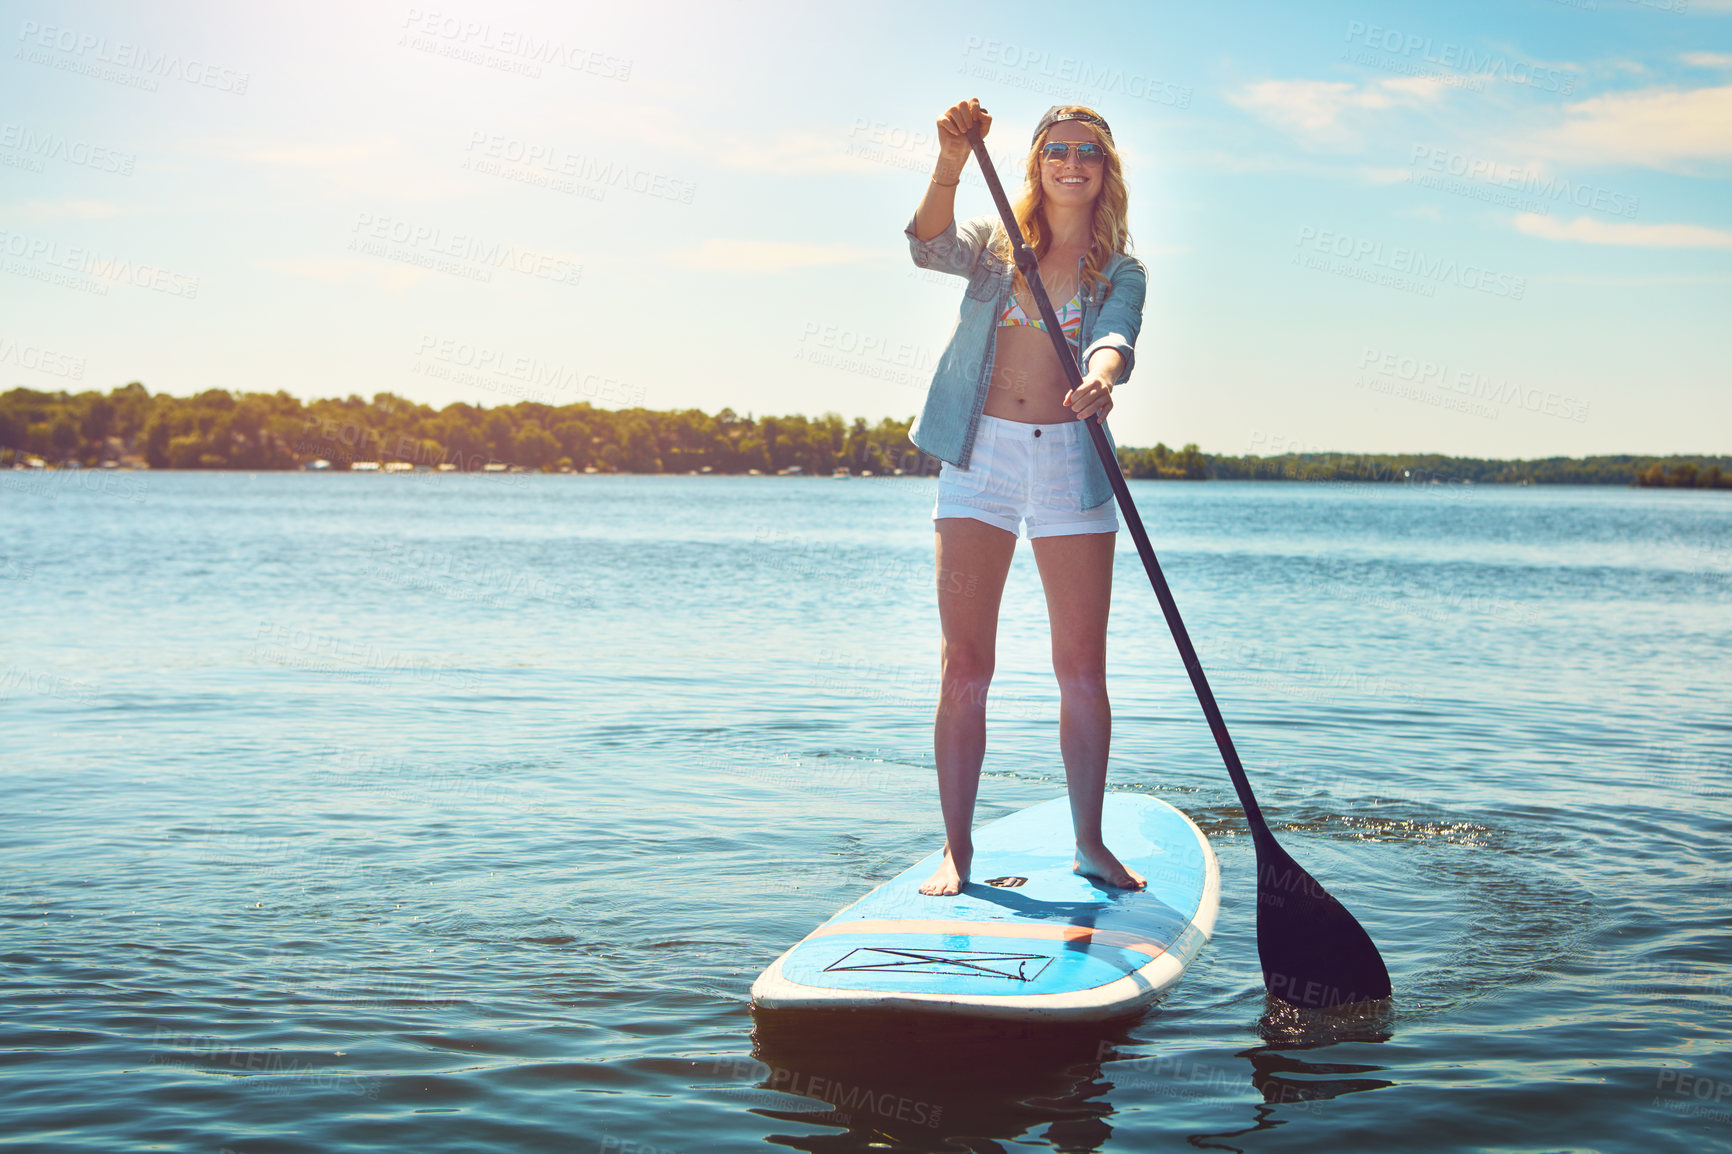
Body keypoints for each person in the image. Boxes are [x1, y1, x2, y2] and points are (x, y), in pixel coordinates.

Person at [905, 98, 1149, 897]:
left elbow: (1117, 335)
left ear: (1105, 169)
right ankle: (957, 849)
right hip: (979, 459)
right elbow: (927, 246)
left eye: (1089, 152)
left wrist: (1102, 377)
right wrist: (949, 155)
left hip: (1071, 463)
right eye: (1057, 150)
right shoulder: (994, 246)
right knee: (966, 664)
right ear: (1037, 162)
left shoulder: (1120, 269)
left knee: (1081, 666)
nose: (1072, 162)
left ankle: (1089, 841)